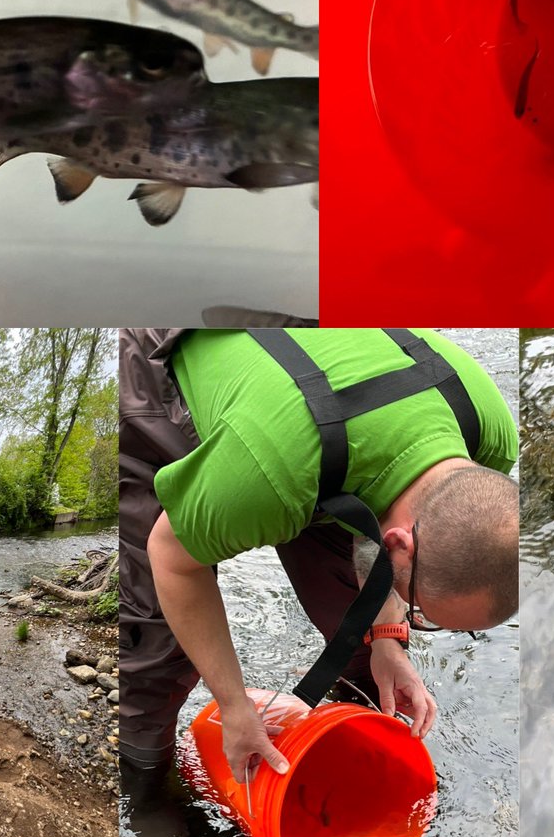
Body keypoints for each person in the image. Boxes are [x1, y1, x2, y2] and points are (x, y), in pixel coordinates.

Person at [118, 328, 519, 795]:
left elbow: (405, 532)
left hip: (322, 428)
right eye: (421, 614)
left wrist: (390, 636)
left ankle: (359, 745)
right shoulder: (264, 477)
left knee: (367, 641)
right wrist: (232, 706)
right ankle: (144, 784)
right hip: (174, 365)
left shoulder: (488, 442)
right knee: (157, 639)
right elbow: (170, 559)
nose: (420, 620)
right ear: (399, 544)